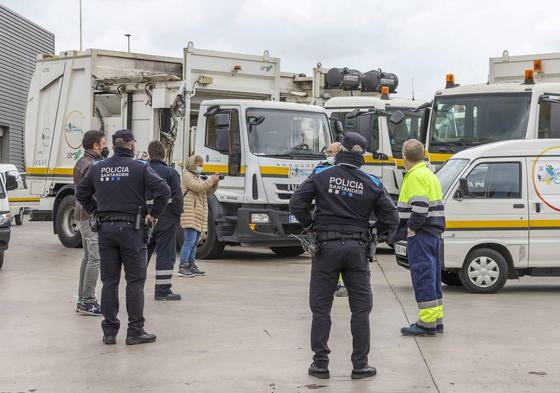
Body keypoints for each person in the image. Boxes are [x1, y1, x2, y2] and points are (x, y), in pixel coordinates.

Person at [289, 132, 399, 380]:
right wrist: (373, 232)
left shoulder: (321, 175)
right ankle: (360, 365)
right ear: (362, 154)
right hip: (357, 250)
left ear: (341, 151)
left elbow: (296, 203)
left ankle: (320, 364)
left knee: (321, 308)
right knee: (360, 310)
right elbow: (391, 218)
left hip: (326, 248)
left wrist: (312, 225)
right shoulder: (372, 182)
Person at [76, 129, 170, 345]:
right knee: (135, 283)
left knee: (109, 282)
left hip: (106, 231)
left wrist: (96, 211)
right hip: (132, 231)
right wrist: (153, 214)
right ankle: (135, 331)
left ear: (114, 145)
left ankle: (109, 333)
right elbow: (164, 191)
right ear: (131, 145)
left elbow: (81, 193)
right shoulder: (140, 167)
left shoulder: (99, 168)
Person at [390, 139, 445, 337]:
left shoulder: (414, 176)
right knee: (432, 277)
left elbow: (420, 208)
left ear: (404, 156)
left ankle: (426, 324)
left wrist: (411, 228)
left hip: (421, 234)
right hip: (433, 234)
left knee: (422, 276)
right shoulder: (429, 174)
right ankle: (436, 320)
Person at [73, 130, 108, 316]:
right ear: (95, 146)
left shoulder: (81, 162)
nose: (105, 146)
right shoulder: (92, 165)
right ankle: (88, 301)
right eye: (103, 143)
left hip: (80, 215)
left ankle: (82, 299)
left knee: (87, 258)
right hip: (89, 216)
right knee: (95, 259)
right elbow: (92, 192)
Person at [146, 141, 183, 301]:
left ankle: (135, 286)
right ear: (164, 153)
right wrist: (177, 217)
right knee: (165, 254)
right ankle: (162, 291)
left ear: (149, 154)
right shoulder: (171, 173)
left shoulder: (142, 170)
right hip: (167, 218)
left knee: (143, 253)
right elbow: (177, 199)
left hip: (145, 218)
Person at [177, 155, 220, 278]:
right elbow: (197, 187)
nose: (200, 167)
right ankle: (183, 266)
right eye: (199, 165)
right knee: (189, 241)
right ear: (192, 164)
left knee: (195, 242)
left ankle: (191, 265)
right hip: (190, 213)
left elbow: (207, 192)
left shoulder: (197, 177)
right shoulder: (187, 176)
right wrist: (210, 180)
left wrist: (215, 184)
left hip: (197, 214)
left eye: (201, 165)